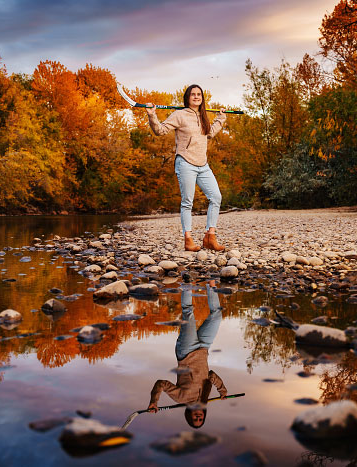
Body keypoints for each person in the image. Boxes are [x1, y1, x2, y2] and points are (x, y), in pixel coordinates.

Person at [146, 85, 227, 252]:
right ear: (187, 97)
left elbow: (209, 134)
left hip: (203, 164)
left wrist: (220, 119)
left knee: (216, 197)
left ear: (202, 98)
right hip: (185, 163)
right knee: (187, 202)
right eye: (193, 94)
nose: (196, 97)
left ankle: (210, 237)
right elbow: (160, 131)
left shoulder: (203, 115)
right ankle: (188, 240)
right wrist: (152, 115)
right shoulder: (179, 115)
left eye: (199, 94)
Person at [146, 281, 227, 428]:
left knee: (188, 312)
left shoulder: (181, 398)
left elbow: (161, 384)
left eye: (195, 419)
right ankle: (211, 285)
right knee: (217, 316)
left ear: (189, 416)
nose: (198, 417)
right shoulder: (205, 396)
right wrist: (222, 390)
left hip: (187, 351)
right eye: (200, 419)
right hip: (203, 348)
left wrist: (154, 401)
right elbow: (212, 375)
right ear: (203, 416)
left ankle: (188, 282)